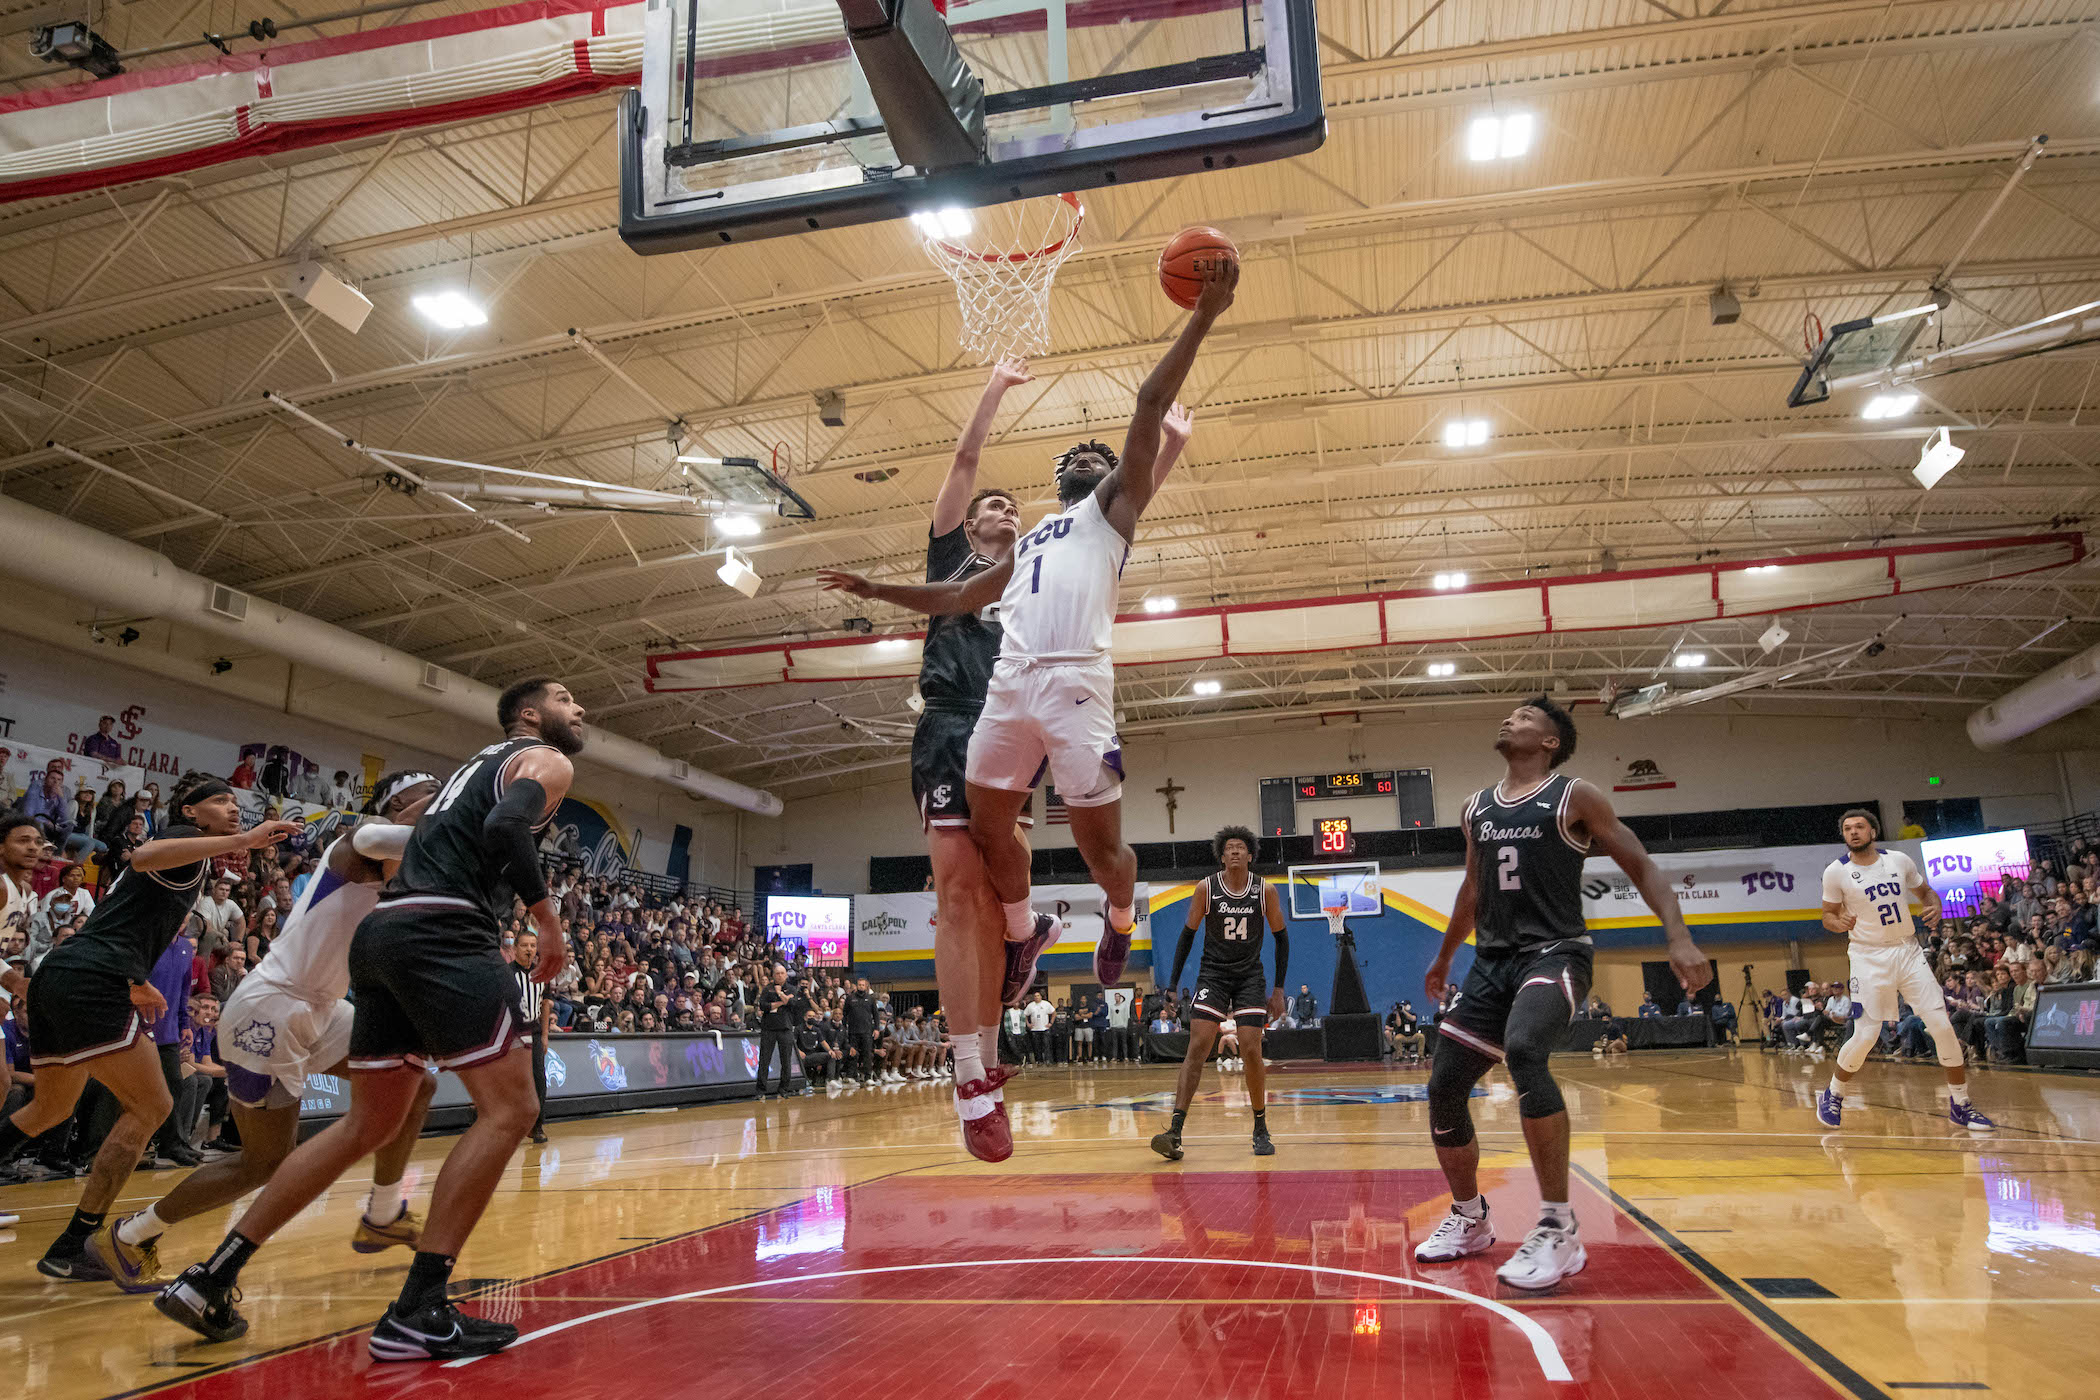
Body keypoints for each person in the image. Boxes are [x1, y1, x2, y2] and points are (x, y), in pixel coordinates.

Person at [818, 255, 1234, 1011]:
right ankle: (1021, 931)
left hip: (1076, 682)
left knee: (1100, 851)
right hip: (1008, 687)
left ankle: (1118, 913)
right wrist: (879, 590)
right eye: (1073, 456)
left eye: (1098, 458)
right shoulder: (1036, 536)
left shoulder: (1110, 515)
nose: (1085, 457)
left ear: (1116, 479)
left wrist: (1202, 316)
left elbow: (1145, 404)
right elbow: (966, 591)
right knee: (985, 831)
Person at [156, 678, 585, 1361]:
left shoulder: (470, 770)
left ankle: (212, 1276)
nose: (580, 709)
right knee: (510, 1111)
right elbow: (506, 827)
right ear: (530, 716)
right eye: (566, 699)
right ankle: (418, 1308)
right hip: (444, 931)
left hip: (383, 938)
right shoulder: (544, 760)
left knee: (370, 1122)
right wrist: (548, 921)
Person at [91, 774, 442, 1294]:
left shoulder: (408, 864)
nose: (443, 803)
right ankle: (130, 1235)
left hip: (321, 1008)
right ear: (401, 805)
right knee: (263, 1161)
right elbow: (378, 839)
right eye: (431, 796)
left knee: (416, 1077)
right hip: (272, 1008)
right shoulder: (365, 836)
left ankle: (384, 1213)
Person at [1414, 697, 1711, 1291]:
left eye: (1526, 716)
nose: (1509, 719)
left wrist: (1678, 937)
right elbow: (1473, 887)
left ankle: (1558, 1227)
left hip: (1556, 953)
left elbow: (1644, 867)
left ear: (1551, 741)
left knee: (1525, 1050)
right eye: (1509, 715)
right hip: (1491, 964)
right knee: (1444, 1087)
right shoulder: (1476, 806)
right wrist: (1446, 955)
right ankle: (1471, 1217)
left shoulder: (1575, 795)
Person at [0, 783, 299, 1281]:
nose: (231, 808)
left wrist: (139, 981)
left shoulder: (194, 858)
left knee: (50, 1108)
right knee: (153, 1106)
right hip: (93, 978)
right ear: (189, 812)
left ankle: (69, 1247)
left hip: (62, 974)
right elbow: (143, 855)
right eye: (220, 801)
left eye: (234, 803)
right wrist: (244, 837)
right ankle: (74, 1243)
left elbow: (124, 916)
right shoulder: (184, 840)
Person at [1816, 809, 1993, 1133]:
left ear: (1873, 831)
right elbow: (1827, 914)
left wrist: (1935, 905)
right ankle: (1833, 1093)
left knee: (1941, 1025)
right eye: (1847, 828)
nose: (1853, 832)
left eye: (1859, 827)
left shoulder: (1898, 860)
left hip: (1908, 951)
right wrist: (1836, 922)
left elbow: (1926, 892)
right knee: (1867, 1035)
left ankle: (1961, 1104)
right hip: (1868, 957)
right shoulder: (1835, 872)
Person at [1152, 826, 1289, 1161]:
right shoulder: (1207, 888)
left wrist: (1279, 989)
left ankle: (1260, 1128)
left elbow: (1282, 939)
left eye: (1241, 847)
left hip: (1249, 976)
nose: (1235, 852)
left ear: (1251, 855)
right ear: (1222, 856)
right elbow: (1187, 935)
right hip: (1213, 973)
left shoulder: (1264, 890)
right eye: (1229, 848)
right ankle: (1175, 1131)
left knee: (1252, 1050)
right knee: (1198, 1046)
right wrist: (1171, 983)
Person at [510, 930, 550, 1143]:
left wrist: (544, 1035)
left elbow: (545, 1004)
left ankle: (538, 1126)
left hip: (533, 1032)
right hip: (512, 1033)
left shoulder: (541, 974)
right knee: (511, 1081)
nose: (529, 949)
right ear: (515, 948)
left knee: (539, 1080)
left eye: (533, 945)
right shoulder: (506, 973)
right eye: (524, 945)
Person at [756, 964, 795, 1099]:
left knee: (786, 1061)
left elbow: (792, 1004)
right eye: (777, 973)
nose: (779, 975)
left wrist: (779, 993)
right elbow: (763, 1006)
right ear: (773, 975)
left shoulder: (792, 988)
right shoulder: (767, 989)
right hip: (768, 1029)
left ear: (786, 975)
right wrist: (782, 1001)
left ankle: (783, 1089)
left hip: (785, 1029)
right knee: (764, 1060)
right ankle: (760, 1091)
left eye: (782, 973)